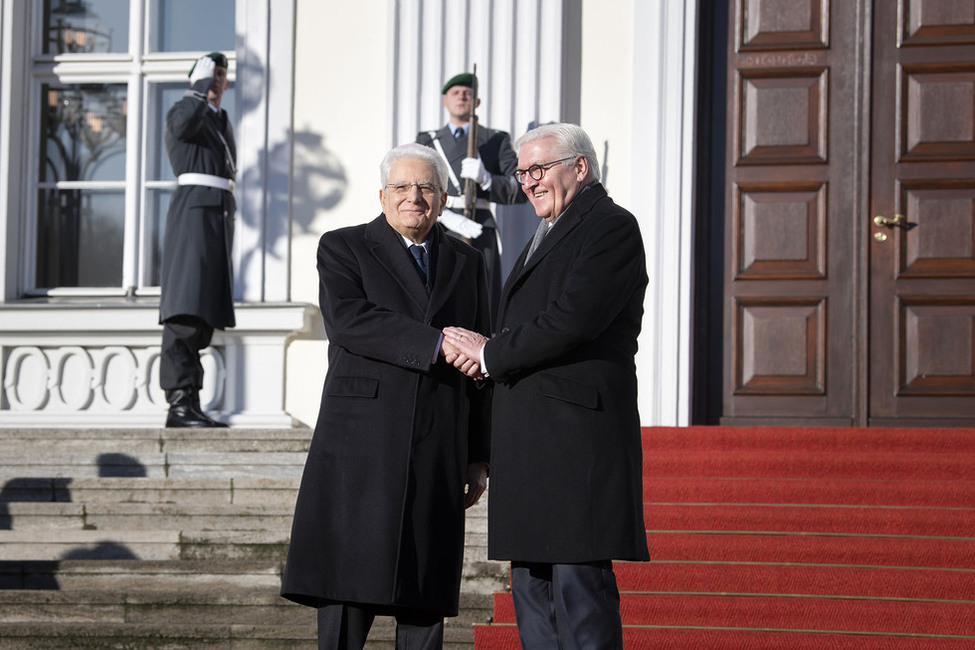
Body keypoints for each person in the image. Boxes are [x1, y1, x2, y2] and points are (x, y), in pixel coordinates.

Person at [442, 123, 650, 649]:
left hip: (575, 444)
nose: (528, 183)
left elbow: (572, 320)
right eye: (522, 172)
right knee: (533, 597)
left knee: (579, 598)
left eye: (539, 170)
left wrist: (489, 353)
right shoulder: (546, 232)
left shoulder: (610, 226)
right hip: (531, 444)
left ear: (579, 167)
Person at [280, 142, 492, 649]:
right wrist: (436, 341)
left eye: (426, 188)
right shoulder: (343, 246)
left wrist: (479, 454)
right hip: (362, 446)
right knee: (346, 590)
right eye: (401, 187)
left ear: (443, 199)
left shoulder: (468, 261)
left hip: (439, 443)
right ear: (382, 196)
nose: (413, 197)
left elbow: (482, 358)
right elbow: (351, 321)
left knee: (424, 593)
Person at [158, 52, 236, 428]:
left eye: (222, 74)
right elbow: (184, 124)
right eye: (214, 74)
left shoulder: (219, 118)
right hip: (194, 213)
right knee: (185, 308)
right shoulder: (185, 109)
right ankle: (178, 402)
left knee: (203, 312)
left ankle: (191, 400)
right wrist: (198, 89)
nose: (220, 80)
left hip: (216, 216)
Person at [416, 72, 525, 323]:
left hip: (479, 225)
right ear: (445, 101)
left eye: (468, 93)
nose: (462, 97)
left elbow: (520, 189)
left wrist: (487, 179)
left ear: (477, 103)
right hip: (438, 224)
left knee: (481, 298)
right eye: (456, 93)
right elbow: (416, 183)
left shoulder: (495, 139)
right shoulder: (428, 140)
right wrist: (448, 217)